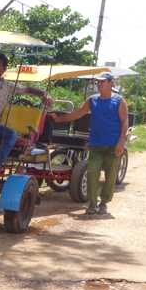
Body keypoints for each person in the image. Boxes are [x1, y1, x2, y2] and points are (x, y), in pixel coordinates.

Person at [52, 72, 129, 215]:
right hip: (96, 145)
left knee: (111, 175)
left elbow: (125, 121)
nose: (99, 84)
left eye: (102, 82)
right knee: (92, 171)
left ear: (111, 83)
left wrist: (121, 141)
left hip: (113, 146)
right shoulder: (92, 100)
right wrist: (60, 119)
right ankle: (92, 204)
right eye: (98, 82)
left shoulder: (119, 101)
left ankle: (104, 202)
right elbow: (78, 113)